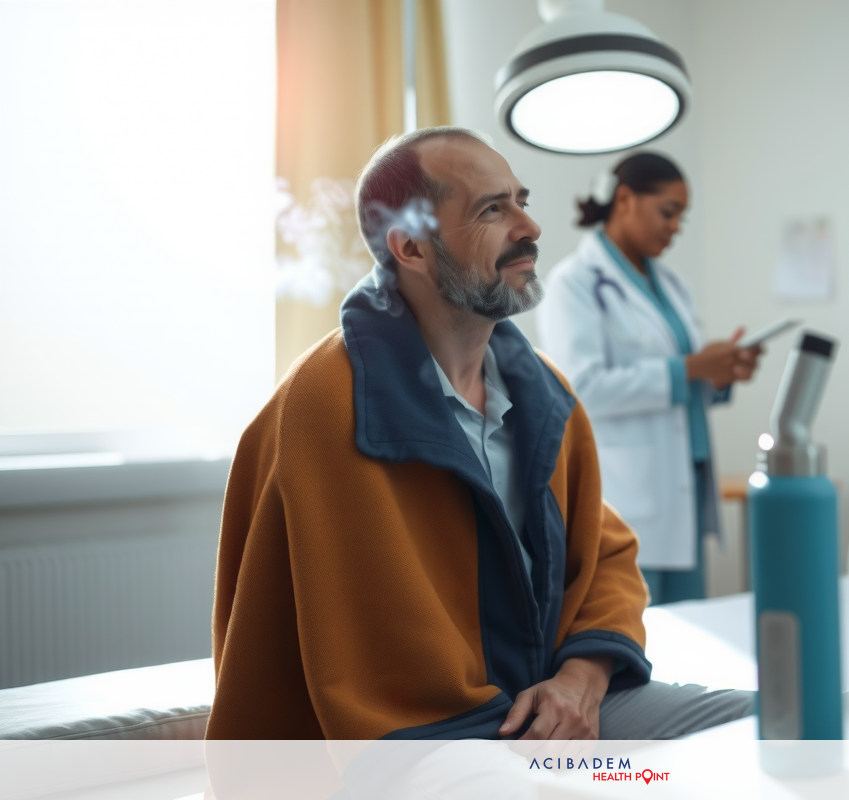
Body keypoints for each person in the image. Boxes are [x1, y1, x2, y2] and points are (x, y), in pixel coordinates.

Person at [206, 128, 752, 740]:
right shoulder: (324, 408)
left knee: (782, 726)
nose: (531, 227)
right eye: (492, 209)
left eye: (522, 200)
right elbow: (363, 672)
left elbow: (605, 556)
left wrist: (581, 679)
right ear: (411, 247)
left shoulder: (544, 392)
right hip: (442, 738)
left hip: (555, 701)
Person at [537, 154, 760, 605]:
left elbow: (682, 380)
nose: (676, 227)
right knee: (633, 627)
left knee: (689, 627)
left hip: (685, 484)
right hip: (627, 492)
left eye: (682, 217)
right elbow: (580, 388)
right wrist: (693, 368)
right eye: (667, 212)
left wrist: (720, 374)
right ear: (625, 200)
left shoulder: (673, 286)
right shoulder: (572, 283)